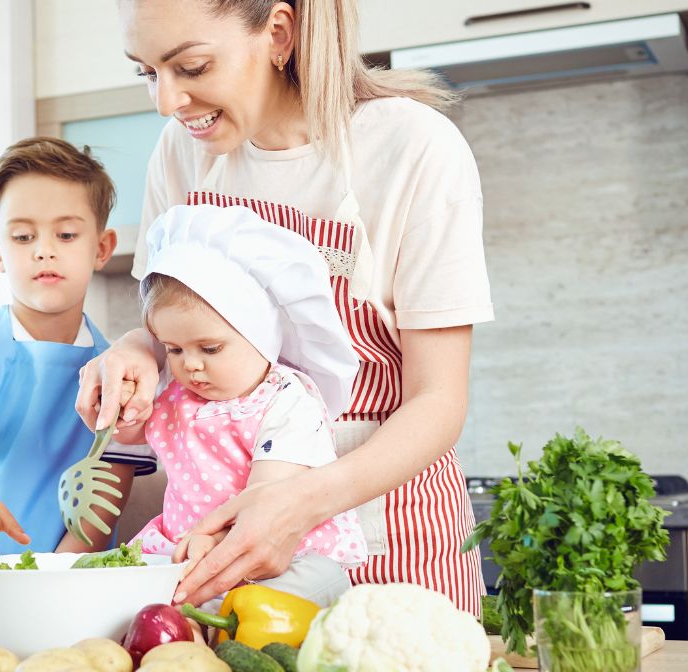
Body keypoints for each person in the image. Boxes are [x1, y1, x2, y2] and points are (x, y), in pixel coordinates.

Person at [78, 0, 493, 614]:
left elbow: (439, 401)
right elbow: (169, 317)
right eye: (147, 72)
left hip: (389, 521)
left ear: (278, 31)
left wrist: (300, 502)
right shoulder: (181, 154)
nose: (166, 102)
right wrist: (135, 350)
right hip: (227, 530)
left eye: (191, 66)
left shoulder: (413, 147)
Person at [119, 204, 366, 607]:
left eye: (210, 348)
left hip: (280, 556)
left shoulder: (287, 401)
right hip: (187, 551)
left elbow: (269, 493)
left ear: (261, 335)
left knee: (298, 587)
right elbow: (133, 437)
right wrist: (125, 410)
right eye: (174, 349)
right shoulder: (177, 397)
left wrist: (215, 541)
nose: (190, 364)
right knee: (129, 596)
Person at [0, 137, 155, 569]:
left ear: (101, 248)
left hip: (74, 578)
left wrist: (48, 578)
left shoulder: (123, 374)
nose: (43, 249)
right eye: (23, 236)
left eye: (66, 234)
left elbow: (107, 502)